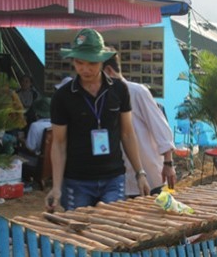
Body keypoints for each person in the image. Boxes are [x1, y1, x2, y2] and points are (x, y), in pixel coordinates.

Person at [45, 28, 150, 212]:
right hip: (77, 180)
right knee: (78, 236)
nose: (85, 69)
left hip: (113, 177)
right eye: (79, 62)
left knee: (111, 233)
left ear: (102, 60)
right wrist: (56, 187)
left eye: (91, 63)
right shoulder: (62, 96)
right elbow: (59, 144)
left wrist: (140, 173)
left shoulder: (119, 90)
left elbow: (127, 134)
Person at [102, 51, 176, 197]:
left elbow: (160, 127)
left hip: (149, 173)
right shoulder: (101, 96)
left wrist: (168, 163)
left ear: (109, 71)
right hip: (120, 179)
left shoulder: (137, 92)